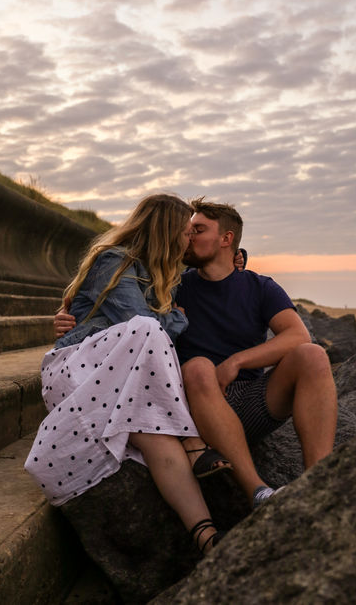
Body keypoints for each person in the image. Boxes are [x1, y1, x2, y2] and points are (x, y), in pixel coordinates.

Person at [54, 198, 338, 509]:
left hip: (249, 400)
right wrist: (71, 318)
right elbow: (119, 310)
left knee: (312, 355)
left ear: (226, 240)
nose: (188, 237)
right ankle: (257, 491)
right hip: (192, 405)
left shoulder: (259, 287)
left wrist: (237, 361)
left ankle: (319, 484)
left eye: (198, 230)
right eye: (187, 231)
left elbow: (298, 335)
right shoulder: (172, 285)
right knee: (199, 367)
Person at [25, 193, 227, 555]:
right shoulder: (114, 260)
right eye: (184, 231)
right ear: (165, 232)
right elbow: (143, 323)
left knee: (156, 435)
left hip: (117, 371)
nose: (188, 239)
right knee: (148, 330)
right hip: (77, 370)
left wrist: (239, 261)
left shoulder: (163, 275)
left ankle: (207, 537)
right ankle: (194, 442)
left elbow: (216, 273)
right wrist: (175, 317)